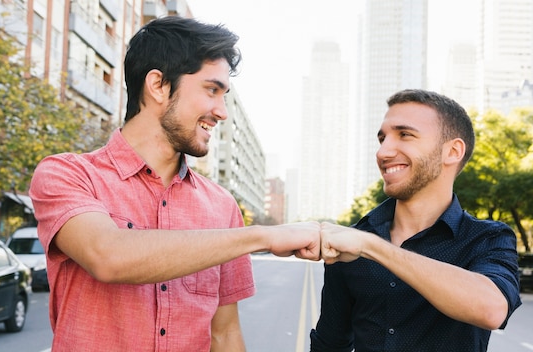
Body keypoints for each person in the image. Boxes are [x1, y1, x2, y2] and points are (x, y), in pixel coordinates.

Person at [29, 16, 320, 352]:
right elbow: (107, 255)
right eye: (212, 90)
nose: (221, 112)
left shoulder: (222, 206)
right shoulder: (67, 174)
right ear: (158, 86)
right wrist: (264, 236)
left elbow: (224, 334)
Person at [311, 89, 521, 351]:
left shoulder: (487, 239)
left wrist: (373, 248)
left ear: (453, 151)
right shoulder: (352, 243)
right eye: (382, 139)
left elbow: (492, 310)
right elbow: (330, 344)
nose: (383, 152)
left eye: (405, 135)